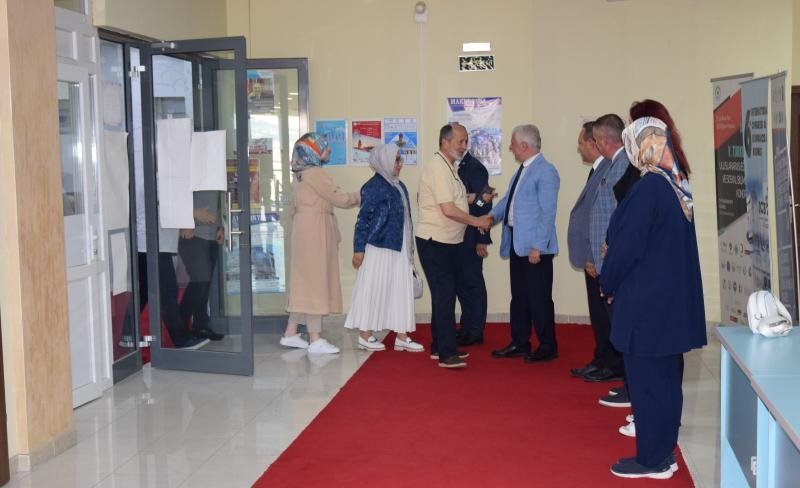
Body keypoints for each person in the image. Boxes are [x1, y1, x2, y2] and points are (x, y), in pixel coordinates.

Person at [601, 116, 706, 479]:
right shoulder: (676, 185)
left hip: (646, 306)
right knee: (666, 384)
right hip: (668, 304)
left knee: (648, 387)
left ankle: (652, 459)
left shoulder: (648, 189)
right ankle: (664, 452)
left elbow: (626, 248)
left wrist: (608, 282)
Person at [415, 123, 492, 369]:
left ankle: (440, 346)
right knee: (445, 295)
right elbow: (448, 209)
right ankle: (446, 354)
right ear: (445, 142)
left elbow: (456, 199)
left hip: (447, 241)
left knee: (444, 295)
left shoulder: (450, 167)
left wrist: (477, 198)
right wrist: (477, 221)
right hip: (434, 241)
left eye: (466, 141)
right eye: (460, 141)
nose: (464, 146)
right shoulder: (438, 167)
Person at [280, 133, 360, 354]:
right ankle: (315, 338)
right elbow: (339, 198)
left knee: (304, 281)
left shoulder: (300, 174)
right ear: (313, 151)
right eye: (324, 147)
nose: (329, 150)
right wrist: (361, 195)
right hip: (315, 228)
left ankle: (291, 332)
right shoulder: (315, 173)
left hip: (304, 228)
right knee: (315, 281)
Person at [489, 124, 560, 363]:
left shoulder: (546, 171)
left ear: (523, 145)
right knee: (519, 297)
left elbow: (548, 213)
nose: (510, 148)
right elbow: (508, 202)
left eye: (512, 144)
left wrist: (538, 246)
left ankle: (548, 346)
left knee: (539, 298)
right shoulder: (522, 170)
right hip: (518, 244)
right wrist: (490, 218)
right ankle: (520, 342)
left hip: (535, 248)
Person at [344, 144, 423, 352]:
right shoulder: (373, 187)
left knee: (401, 290)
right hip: (378, 247)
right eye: (396, 160)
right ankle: (365, 335)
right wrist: (358, 249)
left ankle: (402, 336)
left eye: (400, 159)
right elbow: (363, 220)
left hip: (399, 247)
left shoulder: (399, 185)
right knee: (372, 289)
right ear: (384, 161)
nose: (400, 164)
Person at [567, 121, 613, 378]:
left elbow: (603, 218)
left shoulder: (609, 170)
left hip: (598, 258)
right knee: (598, 314)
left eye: (581, 143)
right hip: (591, 257)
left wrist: (593, 257)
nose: (579, 148)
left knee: (604, 315)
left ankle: (610, 365)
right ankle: (601, 358)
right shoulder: (598, 169)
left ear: (593, 143)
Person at [455, 148, 495, 346]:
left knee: (473, 284)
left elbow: (484, 204)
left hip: (472, 235)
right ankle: (466, 327)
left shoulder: (475, 167)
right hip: (455, 236)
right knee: (461, 284)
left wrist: (482, 238)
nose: (460, 145)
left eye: (463, 141)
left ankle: (475, 331)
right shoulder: (451, 166)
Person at [178, 191, 225, 341]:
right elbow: (177, 198)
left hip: (212, 236)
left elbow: (217, 203)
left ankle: (200, 325)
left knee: (204, 284)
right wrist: (186, 222)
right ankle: (179, 327)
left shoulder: (215, 179)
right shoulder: (191, 176)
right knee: (200, 283)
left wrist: (220, 227)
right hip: (194, 235)